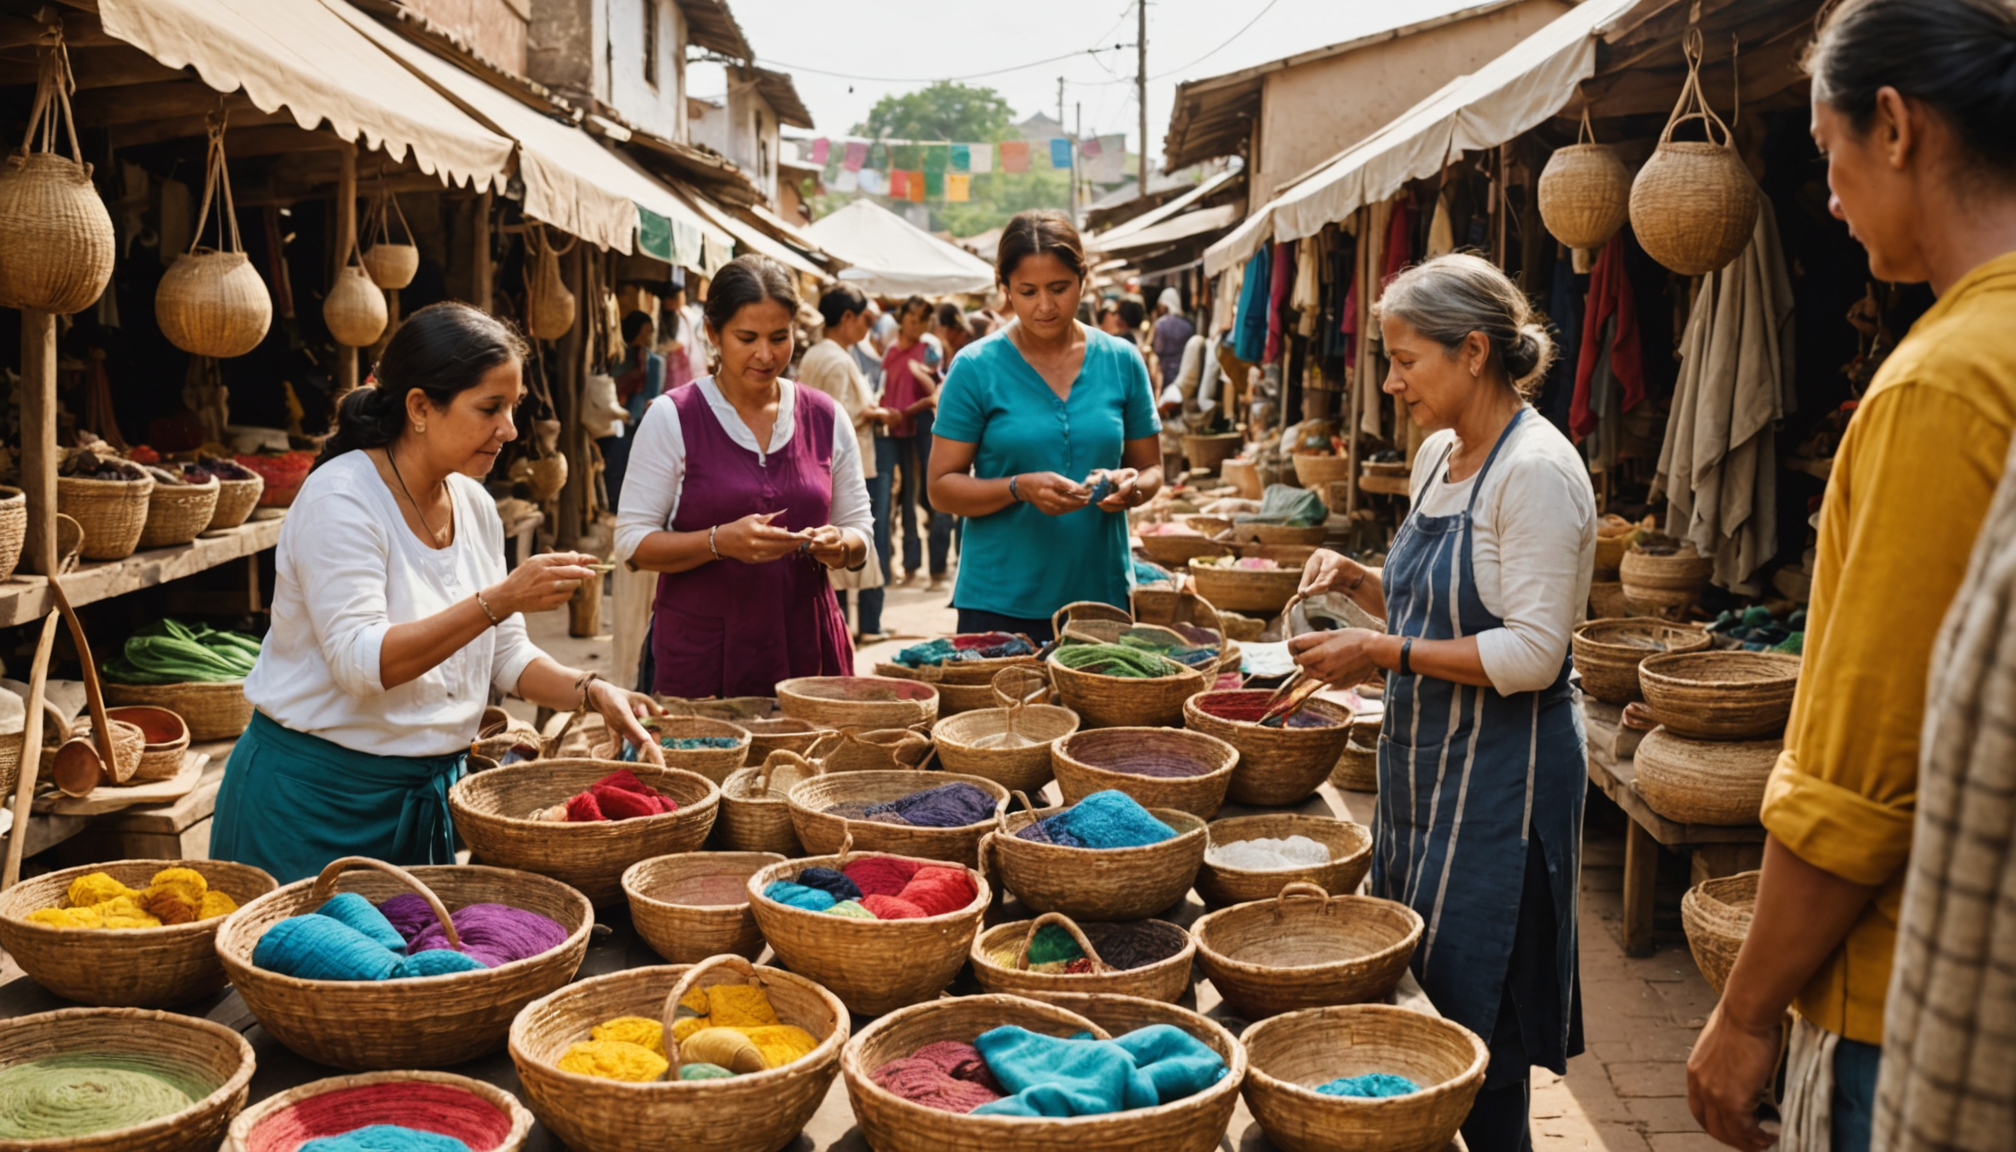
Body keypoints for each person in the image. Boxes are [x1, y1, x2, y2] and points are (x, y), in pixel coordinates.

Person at [1684, 4, 2016, 1152]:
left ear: (1894, 125)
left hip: (1913, 987)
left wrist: (1744, 1008)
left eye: (1827, 156)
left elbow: (1860, 782)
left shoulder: (1944, 383)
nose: (1825, 197)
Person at [1287, 254, 1596, 1152]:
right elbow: (1439, 599)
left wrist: (1380, 649)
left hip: (1507, 782)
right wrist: (1362, 581)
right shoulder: (1437, 456)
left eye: (1404, 359)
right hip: (1429, 774)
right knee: (1426, 994)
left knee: (1485, 1024)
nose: (1390, 381)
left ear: (1472, 352)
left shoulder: (1536, 470)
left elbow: (1534, 652)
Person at [209, 303, 662, 885]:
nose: (510, 430)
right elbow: (361, 663)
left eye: (513, 408)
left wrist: (592, 691)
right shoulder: (341, 499)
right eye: (489, 409)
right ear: (420, 407)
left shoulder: (473, 504)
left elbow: (506, 656)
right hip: (311, 806)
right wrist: (499, 599)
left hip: (421, 806)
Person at [615, 255, 873, 697]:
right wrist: (717, 541)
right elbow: (633, 545)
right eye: (746, 338)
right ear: (713, 334)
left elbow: (861, 532)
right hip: (703, 657)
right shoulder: (672, 417)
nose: (766, 354)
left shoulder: (826, 416)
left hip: (807, 649)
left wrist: (840, 545)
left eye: (780, 337)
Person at [927, 210, 1162, 642]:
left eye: (1059, 288)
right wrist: (1018, 487)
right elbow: (941, 487)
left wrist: (1131, 487)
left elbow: (1151, 468)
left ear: (1082, 281)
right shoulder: (975, 368)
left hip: (1101, 597)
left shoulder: (1122, 360)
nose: (1045, 306)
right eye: (1027, 291)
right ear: (1005, 290)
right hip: (998, 600)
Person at [800, 282, 896, 644]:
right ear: (848, 318)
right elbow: (836, 417)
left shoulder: (816, 354)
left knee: (832, 545)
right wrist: (871, 413)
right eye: (864, 321)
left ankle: (841, 624)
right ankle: (864, 624)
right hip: (847, 463)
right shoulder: (837, 358)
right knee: (858, 542)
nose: (866, 330)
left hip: (819, 463)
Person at [882, 295, 953, 589]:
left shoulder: (929, 349)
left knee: (931, 494)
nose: (917, 325)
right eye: (912, 319)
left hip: (924, 425)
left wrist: (912, 407)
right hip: (897, 430)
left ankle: (937, 569)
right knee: (907, 499)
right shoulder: (891, 351)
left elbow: (937, 389)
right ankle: (910, 566)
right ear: (902, 319)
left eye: (922, 320)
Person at [601, 310, 664, 513]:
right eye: (645, 330)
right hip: (616, 417)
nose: (648, 335)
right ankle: (614, 505)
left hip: (637, 419)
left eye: (650, 330)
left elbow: (651, 393)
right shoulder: (620, 354)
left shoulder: (650, 360)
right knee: (616, 462)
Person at [1150, 286, 1195, 387]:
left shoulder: (1160, 323)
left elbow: (1158, 348)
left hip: (1165, 369)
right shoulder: (1188, 324)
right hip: (1184, 366)